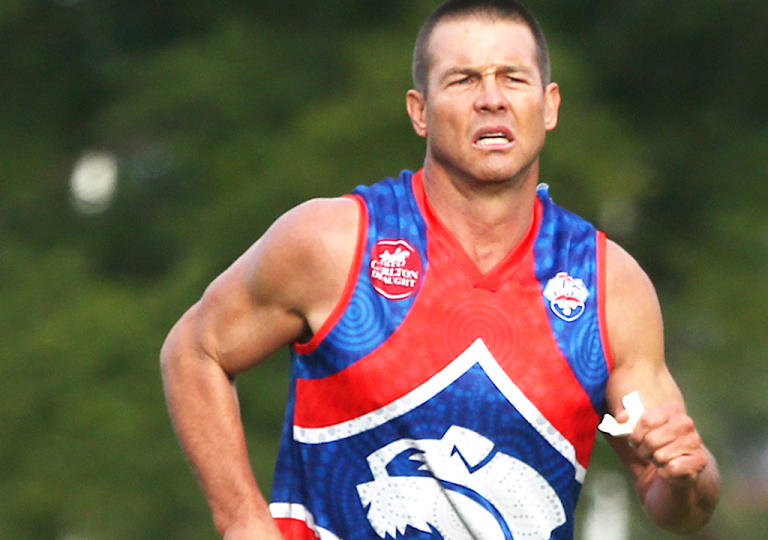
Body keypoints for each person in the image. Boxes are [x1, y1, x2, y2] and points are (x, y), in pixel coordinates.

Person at [160, 1, 720, 538]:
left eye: (513, 78)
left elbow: (669, 495)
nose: (492, 99)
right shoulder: (334, 243)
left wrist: (686, 477)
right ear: (419, 111)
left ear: (549, 105)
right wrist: (241, 518)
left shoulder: (606, 284)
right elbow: (195, 350)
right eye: (464, 79)